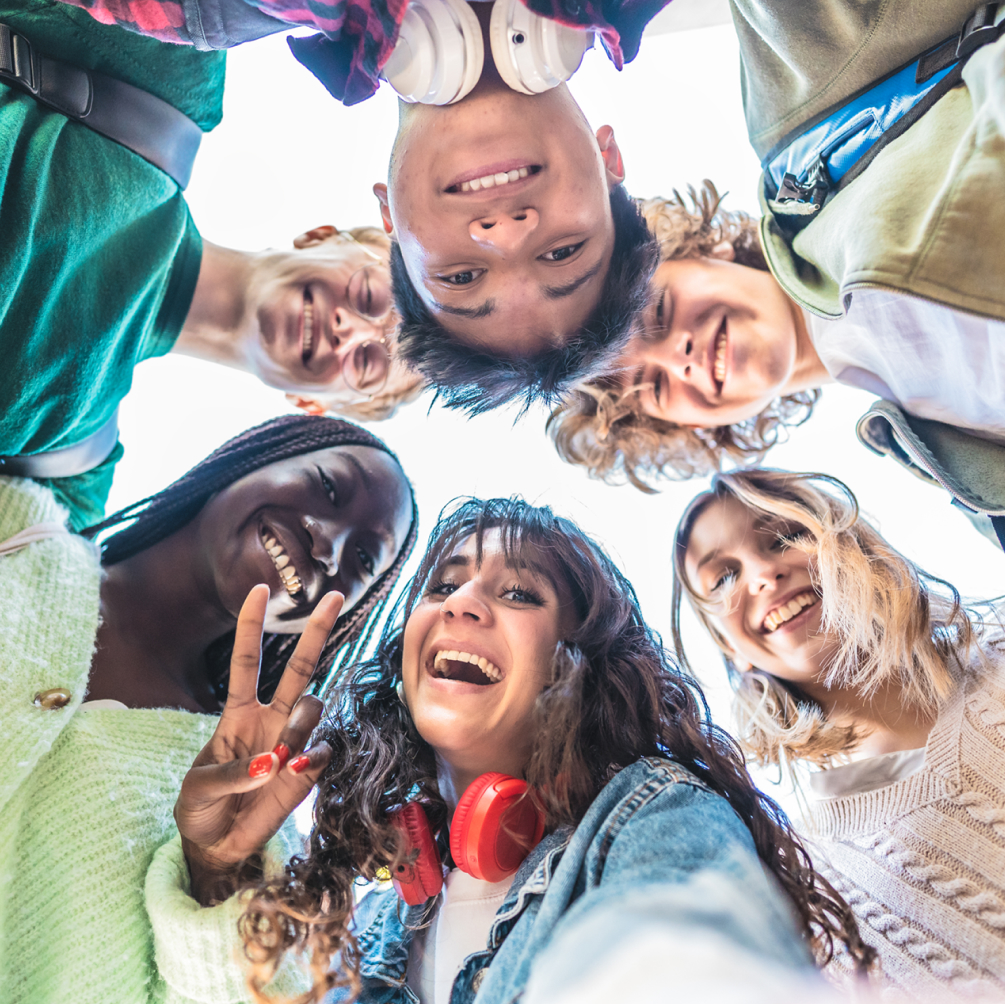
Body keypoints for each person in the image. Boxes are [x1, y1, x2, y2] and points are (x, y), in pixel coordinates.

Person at [225, 496, 872, 1003]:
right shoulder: (375, 918)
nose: (464, 605)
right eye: (443, 586)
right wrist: (219, 869)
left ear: (577, 663)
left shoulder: (652, 816)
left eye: (518, 593)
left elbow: (694, 957)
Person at [50, 0, 661, 413]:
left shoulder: (187, 14)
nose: (504, 233)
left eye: (463, 276)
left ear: (389, 216)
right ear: (610, 161)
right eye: (562, 252)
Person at [0, 413, 418, 1003]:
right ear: (256, 455)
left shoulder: (250, 811)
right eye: (329, 486)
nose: (329, 546)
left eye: (362, 561)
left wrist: (215, 874)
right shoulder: (16, 527)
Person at [0, 0, 423, 532]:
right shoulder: (173, 75)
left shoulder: (72, 471)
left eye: (366, 363)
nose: (351, 329)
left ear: (311, 404)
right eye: (370, 297)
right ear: (323, 237)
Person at [671, 468, 1005, 997]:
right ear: (728, 646)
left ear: (846, 541)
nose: (762, 574)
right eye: (723, 577)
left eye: (784, 536)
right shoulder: (814, 888)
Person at [549, 179, 1005, 548]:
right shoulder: (944, 461)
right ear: (699, 428)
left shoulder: (843, 165)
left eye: (661, 313)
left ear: (707, 249)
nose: (679, 357)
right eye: (657, 388)